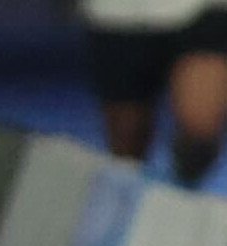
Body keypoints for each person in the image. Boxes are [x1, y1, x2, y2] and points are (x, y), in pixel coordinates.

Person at [82, 0, 227, 189]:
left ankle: (180, 199)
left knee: (199, 135)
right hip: (116, 17)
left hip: (204, 12)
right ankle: (132, 203)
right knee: (127, 145)